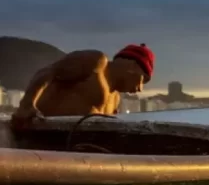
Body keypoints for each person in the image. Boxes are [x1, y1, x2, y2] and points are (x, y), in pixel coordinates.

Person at [11, 43, 154, 128]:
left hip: (74, 150)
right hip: (39, 138)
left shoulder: (115, 99)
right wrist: (27, 105)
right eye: (143, 80)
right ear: (132, 66)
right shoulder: (96, 63)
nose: (140, 89)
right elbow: (48, 72)